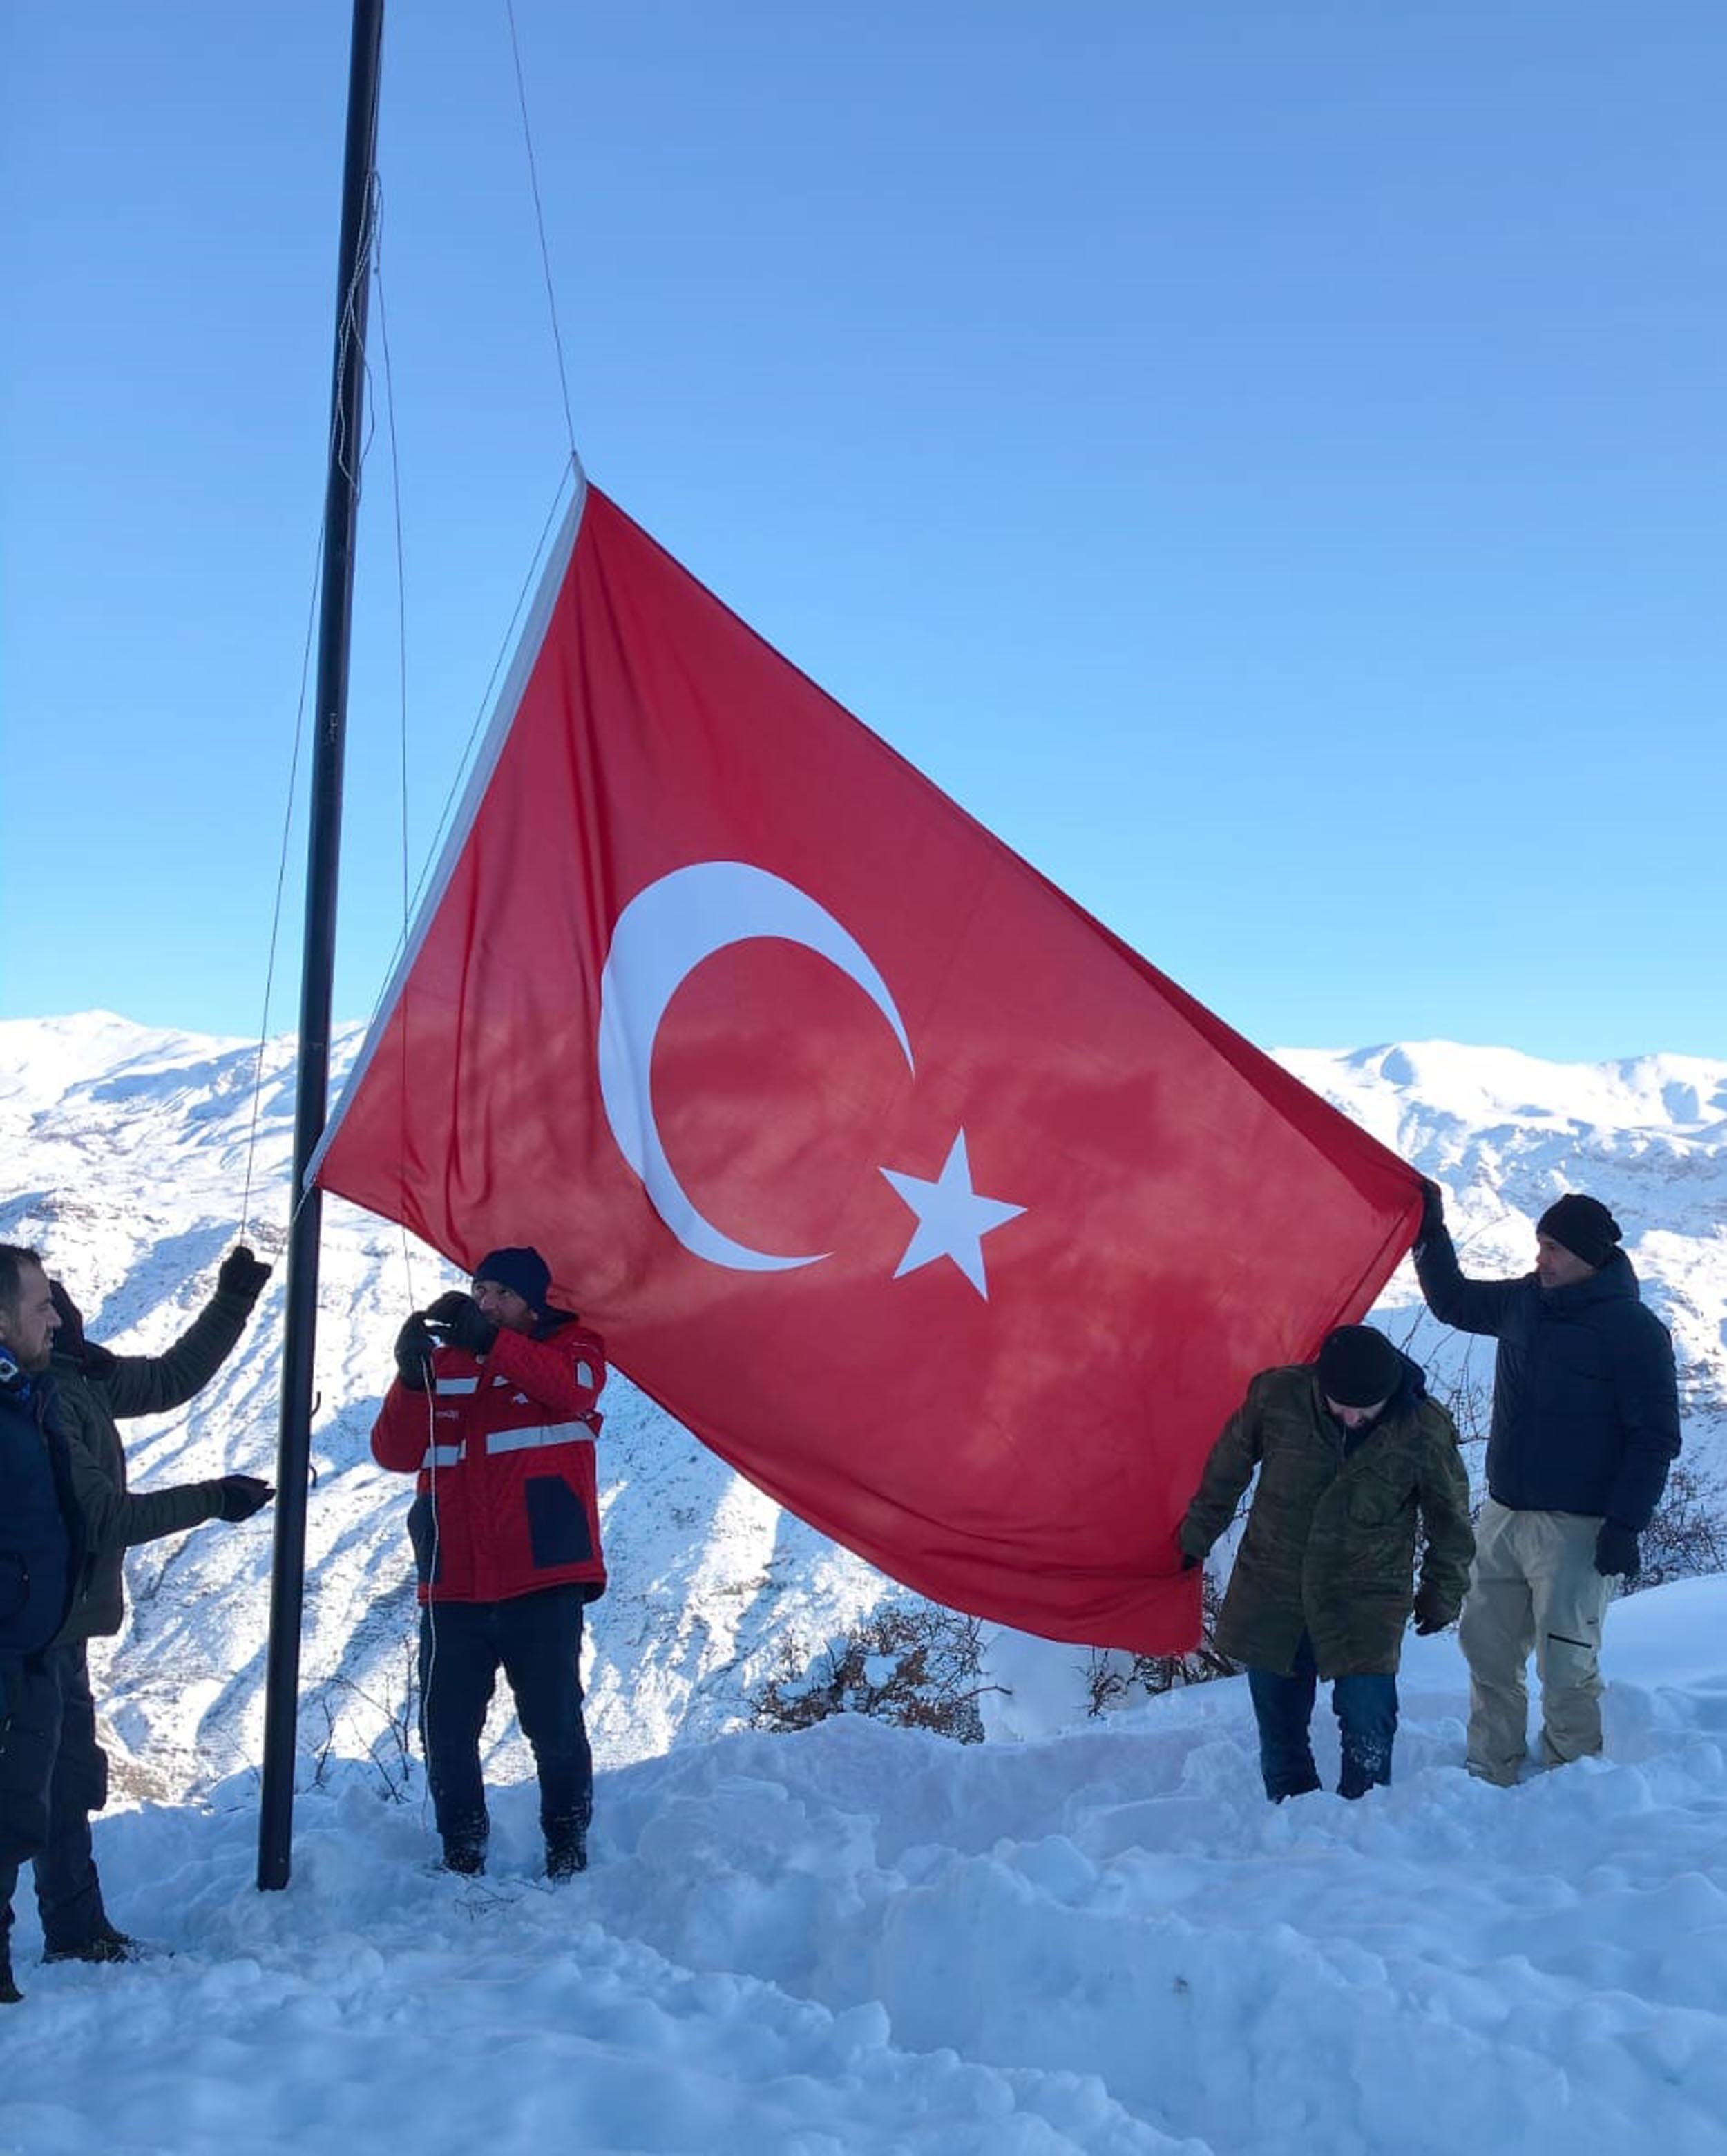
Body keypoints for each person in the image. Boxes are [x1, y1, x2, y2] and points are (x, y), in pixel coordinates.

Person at [37, 1248, 275, 1965]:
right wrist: (213, 1499)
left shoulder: (77, 1376)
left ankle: (78, 1929)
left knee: (64, 1774)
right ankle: (71, 1933)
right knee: (33, 1782)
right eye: (47, 1311)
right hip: (31, 1622)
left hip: (60, 1621)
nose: (63, 1317)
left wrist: (232, 1300)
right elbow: (103, 1518)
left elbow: (173, 1377)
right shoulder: (42, 1396)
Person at [1413, 1184, 1681, 1785]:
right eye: (1540, 1244)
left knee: (1566, 1663)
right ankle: (1491, 1767)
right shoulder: (1526, 1302)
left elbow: (1655, 1436)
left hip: (1577, 1527)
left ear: (1590, 1255)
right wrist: (1430, 1235)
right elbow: (1453, 1302)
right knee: (1487, 1650)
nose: (1541, 1259)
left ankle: (1571, 1782)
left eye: (1553, 1248)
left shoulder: (1634, 1331)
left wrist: (1625, 1525)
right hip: (1504, 1513)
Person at [372, 1246, 608, 1880]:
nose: (485, 1303)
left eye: (501, 1293)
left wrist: (492, 1344)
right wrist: (408, 1378)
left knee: (553, 1722)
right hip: (455, 1581)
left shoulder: (574, 1350)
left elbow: (571, 1393)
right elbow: (393, 1451)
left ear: (534, 1303)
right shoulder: (446, 1365)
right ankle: (462, 1849)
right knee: (446, 1726)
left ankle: (566, 1843)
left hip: (542, 1576)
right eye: (480, 1291)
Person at [1179, 1323, 1473, 1802]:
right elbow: (1226, 1466)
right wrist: (1196, 1535)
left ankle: (1365, 1812)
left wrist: (1443, 1591)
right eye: (1341, 1405)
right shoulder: (1278, 1396)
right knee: (1279, 1723)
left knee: (1368, 1717)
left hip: (1366, 1599)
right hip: (1275, 1587)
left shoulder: (1423, 1429)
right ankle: (1293, 1810)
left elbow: (1452, 1521)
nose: (1353, 1417)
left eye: (1367, 1408)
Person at [0, 1245, 88, 2005]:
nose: (55, 1316)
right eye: (40, 1306)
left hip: (30, 1645)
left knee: (16, 1810)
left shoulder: (25, 1396)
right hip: (10, 1645)